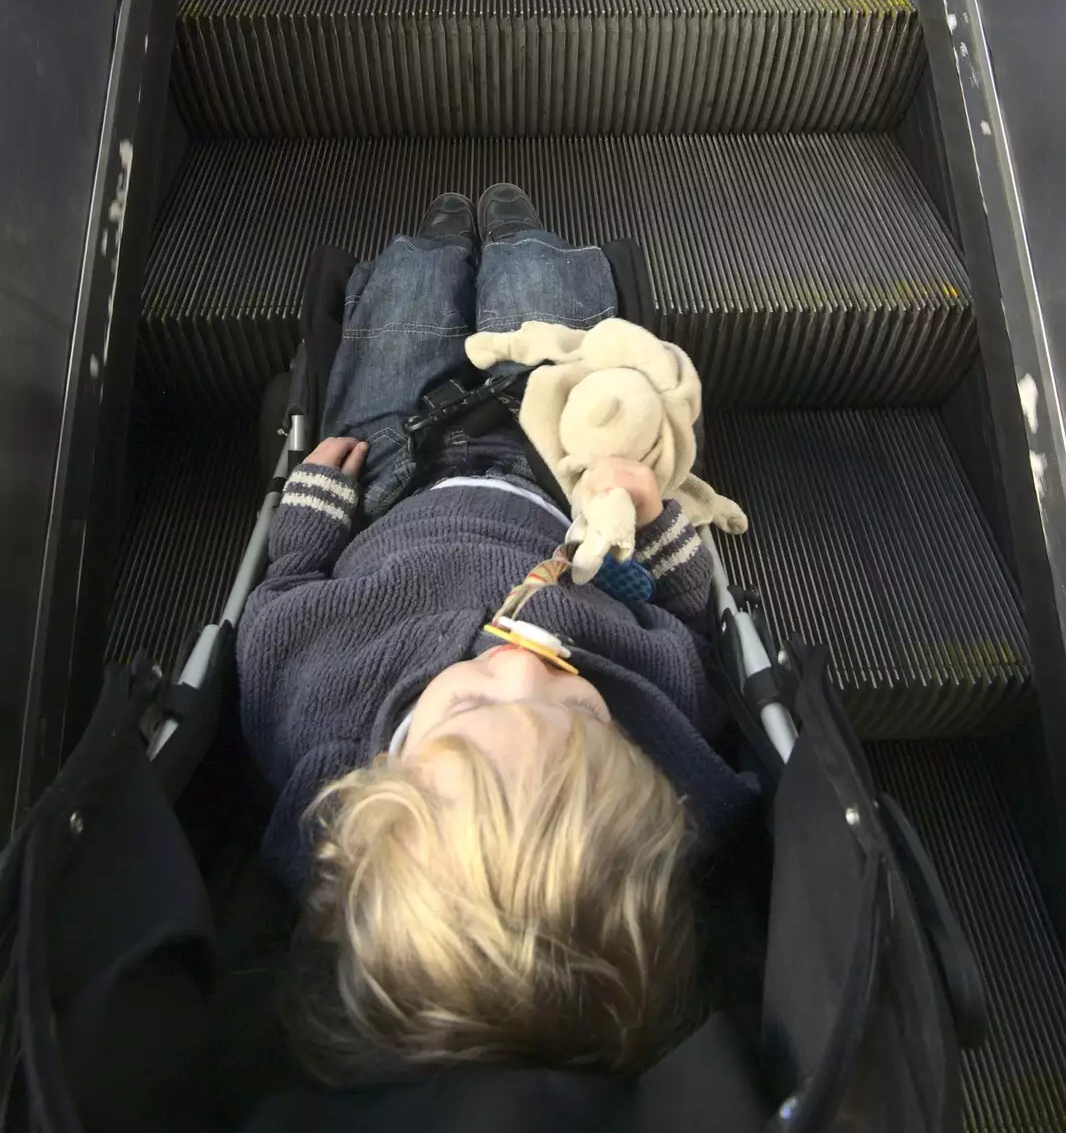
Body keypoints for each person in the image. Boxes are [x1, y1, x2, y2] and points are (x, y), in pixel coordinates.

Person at [237, 185, 755, 1083]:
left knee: (400, 310)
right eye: (577, 705)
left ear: (374, 786)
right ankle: (520, 232)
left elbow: (284, 594)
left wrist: (314, 507)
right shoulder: (663, 711)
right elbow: (686, 613)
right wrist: (652, 511)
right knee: (545, 300)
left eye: (469, 701)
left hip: (397, 477)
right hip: (563, 475)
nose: (521, 662)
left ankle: (434, 244)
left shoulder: (314, 707)